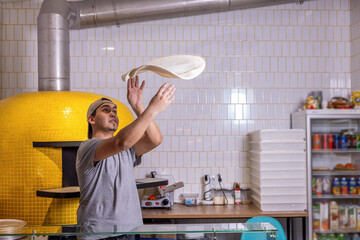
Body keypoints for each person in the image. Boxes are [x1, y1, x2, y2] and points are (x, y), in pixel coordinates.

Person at [76, 76, 175, 240]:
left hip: (128, 229)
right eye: (106, 110)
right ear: (91, 119)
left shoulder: (127, 150)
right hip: (98, 235)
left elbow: (155, 139)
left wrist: (138, 107)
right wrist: (153, 109)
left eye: (114, 111)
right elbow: (122, 142)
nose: (112, 113)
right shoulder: (87, 147)